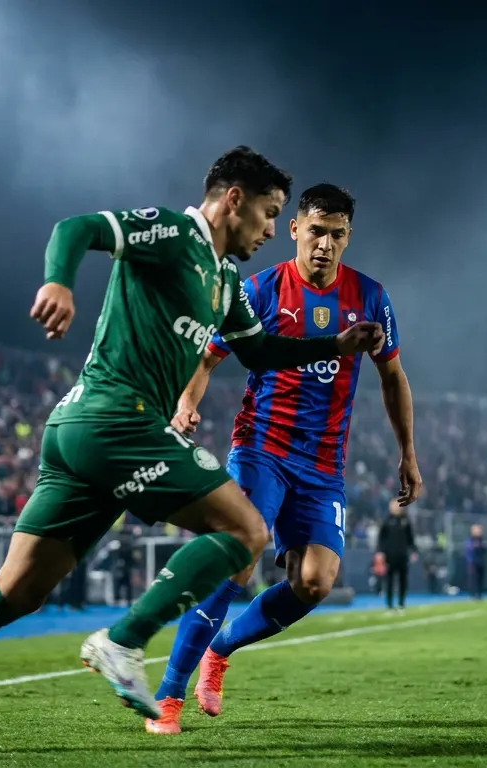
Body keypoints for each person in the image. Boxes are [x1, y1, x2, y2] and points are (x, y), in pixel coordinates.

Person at [0, 147, 387, 754]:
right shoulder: (177, 233)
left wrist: (336, 344)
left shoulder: (226, 279)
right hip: (113, 418)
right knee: (246, 531)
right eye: (267, 213)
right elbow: (77, 228)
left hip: (82, 435)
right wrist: (58, 281)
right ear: (234, 200)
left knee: (18, 589)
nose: (267, 230)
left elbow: (260, 353)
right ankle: (124, 640)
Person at [146, 183, 421, 734]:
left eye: (336, 234)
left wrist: (407, 453)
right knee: (235, 562)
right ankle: (168, 698)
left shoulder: (371, 297)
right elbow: (209, 356)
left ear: (348, 238)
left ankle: (219, 650)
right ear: (295, 229)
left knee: (316, 580)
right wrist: (187, 402)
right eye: (315, 231)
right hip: (261, 449)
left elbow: (393, 377)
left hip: (322, 466)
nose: (325, 244)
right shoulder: (260, 290)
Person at [377, 498, 417, 614]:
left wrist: (414, 550)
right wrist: (380, 552)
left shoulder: (405, 521)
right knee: (389, 580)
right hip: (389, 556)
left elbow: (410, 537)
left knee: (403, 580)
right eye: (393, 506)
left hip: (403, 555)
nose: (395, 508)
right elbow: (381, 539)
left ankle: (401, 604)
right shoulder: (387, 521)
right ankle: (389, 605)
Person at [466, 523, 487, 600]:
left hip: (481, 562)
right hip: (473, 562)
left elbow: (485, 550)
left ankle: (479, 594)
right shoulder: (471, 540)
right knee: (473, 579)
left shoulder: (482, 540)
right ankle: (473, 594)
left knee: (480, 579)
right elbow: (470, 551)